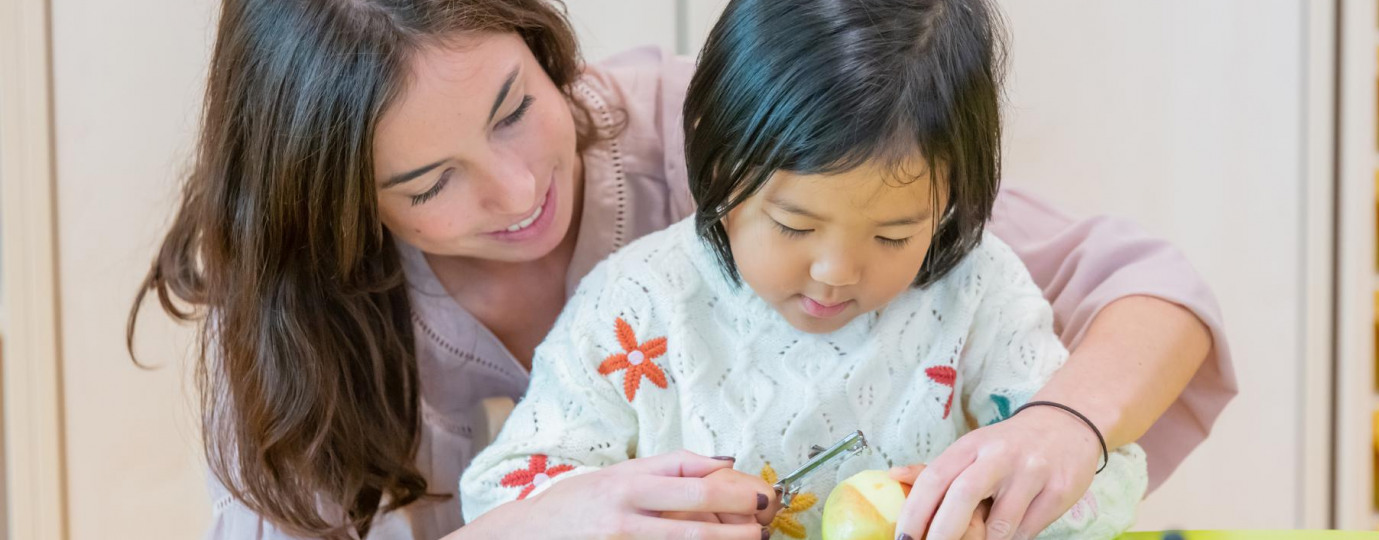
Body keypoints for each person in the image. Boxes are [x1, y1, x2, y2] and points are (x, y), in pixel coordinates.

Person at [129, 0, 1235, 538]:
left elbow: (1142, 285)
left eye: (519, 110)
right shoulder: (298, 311)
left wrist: (1065, 427)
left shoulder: (717, 144)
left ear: (541, 42)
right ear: (330, 207)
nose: (518, 194)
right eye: (429, 185)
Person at [458, 0, 1145, 538]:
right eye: (793, 225)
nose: (835, 272)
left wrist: (994, 511)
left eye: (895, 233)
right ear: (718, 165)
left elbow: (1102, 484)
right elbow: (502, 494)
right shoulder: (638, 304)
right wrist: (628, 513)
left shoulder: (975, 292)